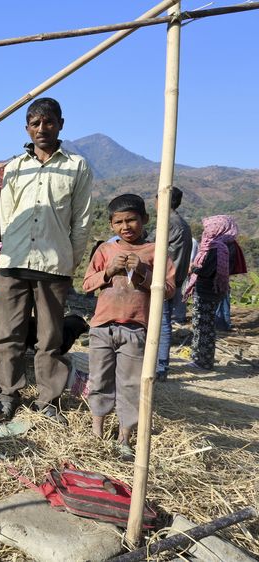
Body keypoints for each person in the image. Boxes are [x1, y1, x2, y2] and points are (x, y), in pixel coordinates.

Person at [0, 97, 92, 423]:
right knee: (8, 335)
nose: (42, 129)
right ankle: (8, 394)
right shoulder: (14, 167)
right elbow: (6, 218)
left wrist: (69, 260)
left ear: (60, 124)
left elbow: (82, 221)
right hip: (14, 260)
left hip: (54, 265)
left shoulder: (76, 166)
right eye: (35, 123)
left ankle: (48, 401)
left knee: (49, 339)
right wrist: (11, 249)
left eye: (48, 122)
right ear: (27, 128)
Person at [83, 194, 175, 460]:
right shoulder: (105, 251)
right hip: (102, 327)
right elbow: (87, 284)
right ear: (111, 225)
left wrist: (144, 272)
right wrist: (109, 271)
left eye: (131, 220)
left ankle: (124, 437)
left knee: (130, 385)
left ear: (144, 219)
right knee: (99, 379)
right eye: (119, 222)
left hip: (135, 329)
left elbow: (168, 290)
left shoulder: (156, 252)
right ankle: (96, 432)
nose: (126, 227)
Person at [185, 215, 246, 370]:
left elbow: (207, 271)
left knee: (204, 326)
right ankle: (200, 358)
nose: (207, 231)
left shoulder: (217, 247)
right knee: (205, 324)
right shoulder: (229, 244)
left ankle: (203, 361)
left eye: (209, 228)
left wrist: (193, 268)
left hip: (207, 290)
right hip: (215, 290)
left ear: (218, 228)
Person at [151, 187, 192, 382]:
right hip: (175, 278)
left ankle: (160, 366)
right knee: (162, 321)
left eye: (157, 199)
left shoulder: (167, 223)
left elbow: (150, 246)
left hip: (164, 279)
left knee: (163, 322)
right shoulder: (182, 223)